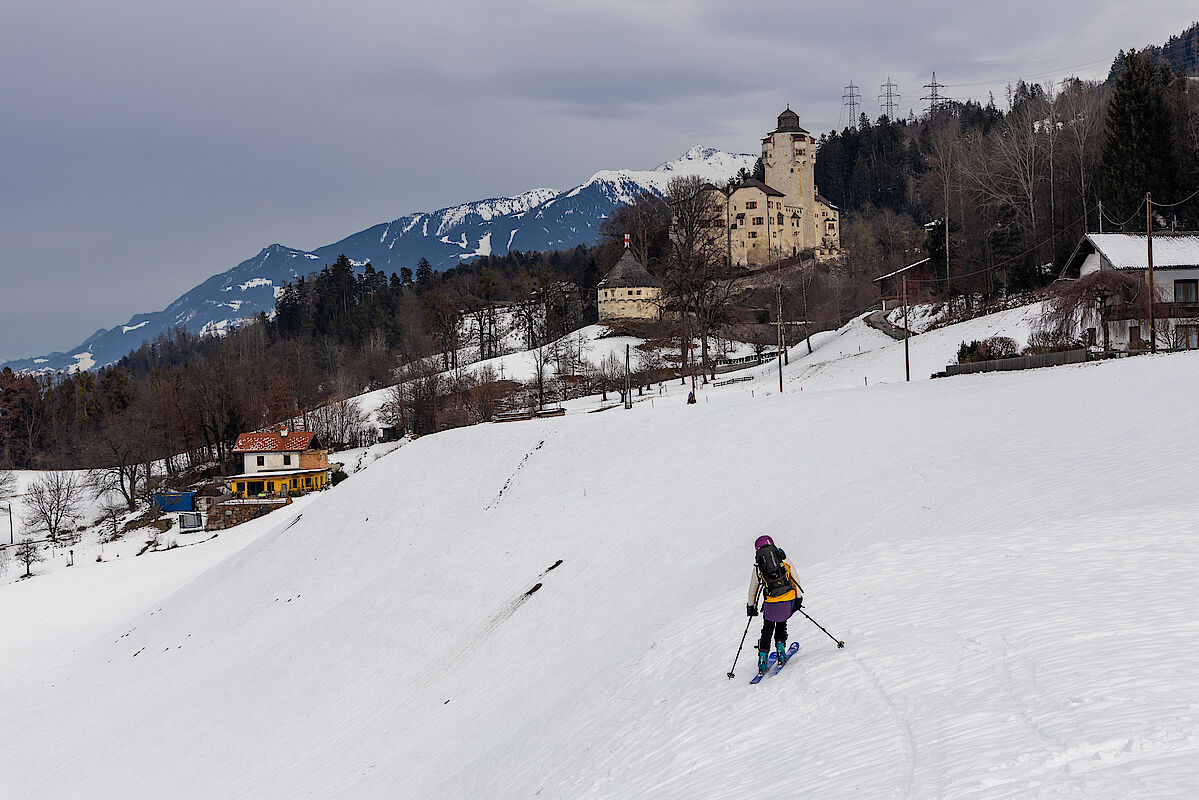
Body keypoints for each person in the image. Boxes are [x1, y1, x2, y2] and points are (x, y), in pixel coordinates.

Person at [746, 534, 802, 673]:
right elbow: (795, 579)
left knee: (767, 627)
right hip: (788, 599)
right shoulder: (784, 559)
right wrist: (798, 599)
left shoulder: (759, 566)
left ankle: (763, 657)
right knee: (782, 621)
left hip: (771, 602)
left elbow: (753, 588)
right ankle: (781, 648)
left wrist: (751, 606)